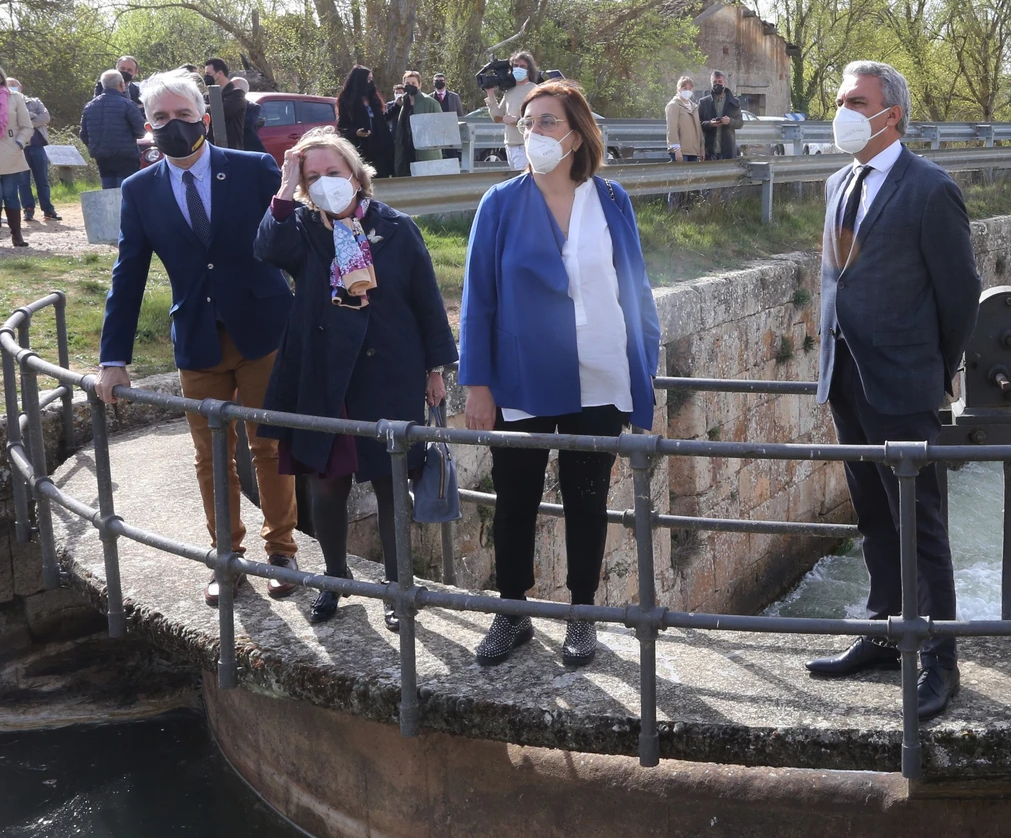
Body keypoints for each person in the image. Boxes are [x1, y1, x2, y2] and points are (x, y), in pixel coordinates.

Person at [459, 78, 660, 668]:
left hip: (600, 376)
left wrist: (642, 376)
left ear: (576, 132)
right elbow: (478, 301)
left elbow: (636, 291)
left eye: (545, 121)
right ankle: (512, 612)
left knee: (588, 499)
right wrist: (477, 384)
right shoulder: (499, 203)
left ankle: (582, 614)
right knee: (515, 499)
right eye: (527, 122)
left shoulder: (612, 200)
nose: (532, 133)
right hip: (523, 377)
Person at [804, 61, 980, 721]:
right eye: (840, 98)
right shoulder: (836, 182)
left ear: (891, 115)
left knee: (920, 523)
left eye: (856, 100)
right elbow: (836, 280)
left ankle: (940, 657)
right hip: (845, 374)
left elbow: (960, 296)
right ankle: (883, 633)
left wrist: (934, 370)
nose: (842, 110)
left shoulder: (931, 189)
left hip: (903, 382)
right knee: (873, 516)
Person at [96, 70, 301, 606]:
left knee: (270, 445)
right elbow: (129, 273)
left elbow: (293, 241)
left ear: (204, 118)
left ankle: (282, 550)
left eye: (183, 115)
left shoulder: (254, 169)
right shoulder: (140, 190)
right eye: (161, 118)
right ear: (147, 126)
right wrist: (113, 358)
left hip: (263, 330)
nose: (173, 125)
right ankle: (226, 559)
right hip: (197, 338)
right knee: (211, 455)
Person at [254, 128, 455, 626]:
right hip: (324, 374)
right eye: (313, 176)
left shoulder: (396, 226)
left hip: (388, 369)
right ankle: (334, 580)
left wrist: (436, 369)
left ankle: (397, 588)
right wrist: (284, 188)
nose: (326, 183)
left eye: (334, 172)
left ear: (356, 174)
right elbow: (267, 249)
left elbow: (426, 301)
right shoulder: (300, 226)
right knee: (326, 484)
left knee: (390, 484)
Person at [81, 70, 148, 189]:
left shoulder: (89, 107)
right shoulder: (127, 104)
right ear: (121, 84)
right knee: (127, 192)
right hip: (126, 157)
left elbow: (84, 135)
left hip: (102, 158)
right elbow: (141, 131)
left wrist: (98, 146)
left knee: (108, 193)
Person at [6, 78, 58, 222]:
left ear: (20, 87)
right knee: (23, 182)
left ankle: (48, 210)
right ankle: (28, 210)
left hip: (37, 147)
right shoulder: (6, 104)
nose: (11, 87)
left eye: (13, 85)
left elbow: (45, 117)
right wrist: (30, 118)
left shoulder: (35, 101)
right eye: (8, 85)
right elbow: (13, 123)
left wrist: (25, 122)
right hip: (20, 148)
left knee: (42, 180)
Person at [483, 51, 538, 171]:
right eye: (516, 66)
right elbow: (497, 117)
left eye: (523, 66)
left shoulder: (534, 90)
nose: (518, 69)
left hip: (524, 146)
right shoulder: (510, 91)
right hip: (509, 145)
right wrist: (490, 94)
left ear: (529, 70)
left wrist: (517, 120)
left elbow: (538, 119)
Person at [336, 66, 394, 177]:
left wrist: (396, 106)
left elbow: (382, 119)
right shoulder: (346, 99)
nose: (370, 82)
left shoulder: (373, 98)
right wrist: (355, 132)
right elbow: (342, 126)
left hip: (381, 147)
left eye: (371, 79)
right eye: (368, 79)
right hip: (362, 149)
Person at [389, 70, 444, 177]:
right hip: (405, 153)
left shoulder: (430, 103)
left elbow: (440, 129)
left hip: (425, 155)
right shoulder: (402, 103)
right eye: (407, 83)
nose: (410, 86)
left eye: (413, 83)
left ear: (419, 85)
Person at [0, 73, 33, 246]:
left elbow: (27, 126)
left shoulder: (15, 98)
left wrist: (19, 144)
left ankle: (17, 236)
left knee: (10, 195)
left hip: (11, 153)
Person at [697, 70, 745, 160]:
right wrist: (709, 124)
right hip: (709, 150)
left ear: (725, 83)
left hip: (728, 150)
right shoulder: (703, 102)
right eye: (714, 82)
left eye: (720, 82)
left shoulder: (734, 102)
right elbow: (698, 124)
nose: (717, 84)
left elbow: (740, 123)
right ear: (711, 83)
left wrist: (730, 121)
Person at [665, 76, 704, 162]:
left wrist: (701, 149)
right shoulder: (673, 105)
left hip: (694, 152)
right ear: (678, 89)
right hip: (680, 152)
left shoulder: (694, 107)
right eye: (684, 88)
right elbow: (672, 128)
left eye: (690, 88)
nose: (687, 91)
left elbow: (698, 128)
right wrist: (676, 149)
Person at [227, 76, 266, 153]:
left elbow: (248, 123)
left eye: (231, 87)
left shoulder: (253, 107)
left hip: (247, 148)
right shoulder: (225, 105)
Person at [432, 73, 463, 163]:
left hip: (450, 133)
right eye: (436, 81)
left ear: (445, 82)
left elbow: (460, 115)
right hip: (435, 133)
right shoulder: (430, 97)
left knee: (452, 158)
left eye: (441, 81)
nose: (439, 82)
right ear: (433, 83)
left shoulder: (454, 97)